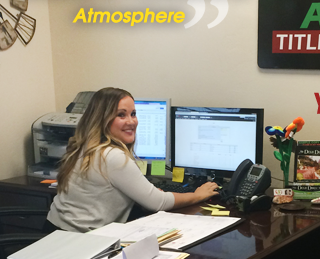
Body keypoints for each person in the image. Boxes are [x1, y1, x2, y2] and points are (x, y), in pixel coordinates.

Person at [46, 87, 219, 232]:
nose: (131, 121)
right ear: (102, 119)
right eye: (121, 115)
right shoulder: (112, 156)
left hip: (55, 232)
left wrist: (145, 193)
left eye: (133, 114)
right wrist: (197, 195)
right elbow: (158, 202)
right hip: (81, 241)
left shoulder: (86, 147)